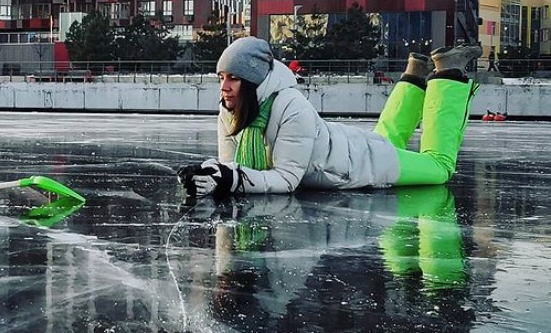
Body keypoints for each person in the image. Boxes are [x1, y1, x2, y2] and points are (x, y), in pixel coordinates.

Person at [177, 36, 482, 198]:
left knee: (439, 167)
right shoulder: (231, 108)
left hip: (360, 165)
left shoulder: (290, 106)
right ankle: (414, 76)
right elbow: (233, 167)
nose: (225, 87)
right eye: (221, 77)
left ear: (254, 80)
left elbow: (286, 179)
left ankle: (449, 73)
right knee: (385, 139)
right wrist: (211, 174)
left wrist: (229, 178)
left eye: (234, 78)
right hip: (351, 149)